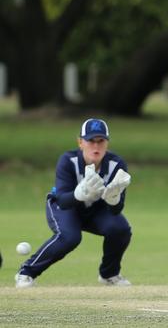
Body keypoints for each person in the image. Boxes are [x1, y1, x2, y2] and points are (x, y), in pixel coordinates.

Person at [15, 119, 133, 288]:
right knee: (70, 237)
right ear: (80, 142)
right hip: (64, 207)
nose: (96, 146)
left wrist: (114, 200)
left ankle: (109, 274)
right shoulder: (68, 161)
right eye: (90, 140)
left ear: (107, 143)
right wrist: (79, 193)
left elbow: (116, 210)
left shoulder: (117, 165)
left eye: (101, 141)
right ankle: (26, 273)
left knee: (120, 229)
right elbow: (62, 200)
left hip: (95, 210)